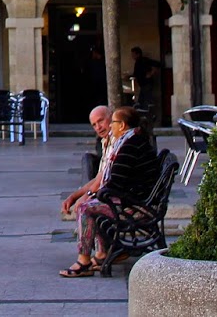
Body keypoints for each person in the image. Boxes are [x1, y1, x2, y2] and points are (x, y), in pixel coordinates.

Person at [60, 105, 157, 277]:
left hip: (137, 206)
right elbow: (105, 178)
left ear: (122, 125)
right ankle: (102, 253)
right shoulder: (128, 141)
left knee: (86, 208)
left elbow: (114, 183)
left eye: (110, 122)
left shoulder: (129, 146)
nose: (106, 127)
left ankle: (83, 261)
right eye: (94, 124)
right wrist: (79, 196)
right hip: (136, 200)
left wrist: (89, 197)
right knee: (90, 204)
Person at [65, 105, 113, 208]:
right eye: (94, 125)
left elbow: (103, 178)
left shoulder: (117, 141)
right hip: (106, 190)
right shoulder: (104, 141)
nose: (98, 127)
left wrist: (87, 196)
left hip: (117, 194)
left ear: (112, 118)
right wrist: (74, 196)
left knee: (84, 209)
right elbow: (98, 178)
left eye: (100, 121)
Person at [130, 46, 161, 116]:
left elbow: (158, 64)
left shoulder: (144, 60)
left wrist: (151, 73)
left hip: (147, 84)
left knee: (147, 101)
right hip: (142, 84)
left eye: (133, 54)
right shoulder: (137, 62)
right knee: (141, 102)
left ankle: (151, 116)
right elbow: (136, 73)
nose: (132, 56)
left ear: (138, 54)